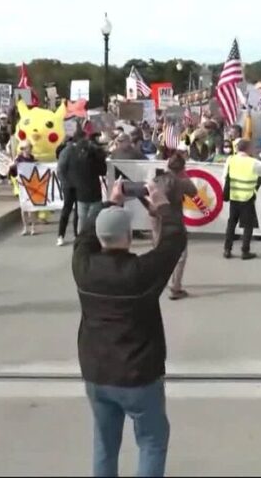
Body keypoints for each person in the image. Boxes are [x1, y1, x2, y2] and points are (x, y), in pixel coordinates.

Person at [72, 179, 188, 478]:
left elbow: (84, 236)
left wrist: (110, 202)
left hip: (97, 370)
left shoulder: (83, 266)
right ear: (128, 237)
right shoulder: (140, 273)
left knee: (105, 443)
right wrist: (162, 204)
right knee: (151, 441)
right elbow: (174, 241)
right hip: (139, 374)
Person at [150, 154, 199, 300]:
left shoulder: (156, 179)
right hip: (173, 219)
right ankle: (175, 287)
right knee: (181, 254)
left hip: (156, 217)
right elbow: (194, 191)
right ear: (182, 168)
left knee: (157, 249)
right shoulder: (182, 182)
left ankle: (155, 281)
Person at [223, 139, 261, 260]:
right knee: (248, 225)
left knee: (231, 223)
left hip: (234, 196)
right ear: (248, 149)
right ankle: (245, 251)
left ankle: (227, 249)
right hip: (247, 197)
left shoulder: (230, 160)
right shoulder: (252, 162)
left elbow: (224, 176)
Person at [65, 129, 109, 233]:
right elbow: (103, 171)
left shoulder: (73, 155)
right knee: (94, 220)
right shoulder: (95, 158)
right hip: (94, 193)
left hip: (80, 193)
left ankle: (81, 238)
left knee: (82, 219)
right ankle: (93, 238)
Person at [55, 133, 80, 247]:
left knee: (72, 211)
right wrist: (66, 182)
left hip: (74, 185)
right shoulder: (67, 151)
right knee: (70, 211)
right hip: (71, 186)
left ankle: (68, 235)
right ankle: (63, 235)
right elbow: (60, 170)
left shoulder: (71, 151)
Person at [12, 140, 39, 235]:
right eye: (26, 148)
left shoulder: (33, 158)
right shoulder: (18, 159)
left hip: (31, 185)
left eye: (29, 148)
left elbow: (38, 171)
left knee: (31, 208)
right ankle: (25, 227)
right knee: (23, 208)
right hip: (22, 185)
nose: (28, 150)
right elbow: (13, 172)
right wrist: (14, 166)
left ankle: (33, 227)